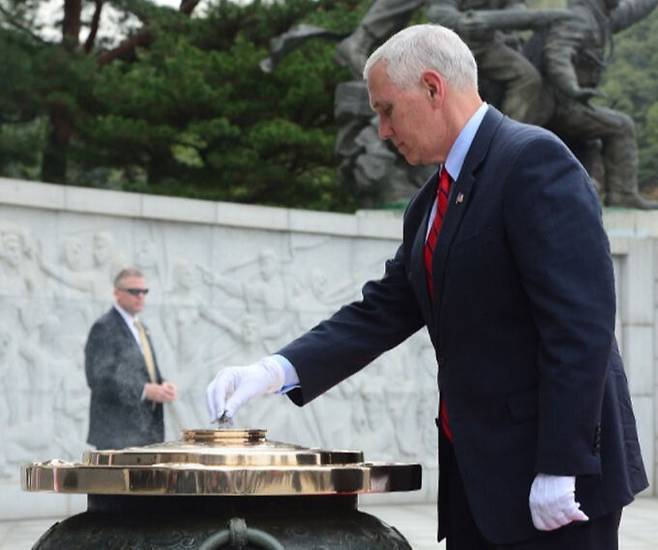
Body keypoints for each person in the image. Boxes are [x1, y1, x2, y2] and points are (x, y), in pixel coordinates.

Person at [206, 24, 647, 548]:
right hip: (480, 484)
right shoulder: (430, 202)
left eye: (386, 109)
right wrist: (273, 371)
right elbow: (384, 310)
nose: (382, 131)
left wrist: (561, 464)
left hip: (554, 486)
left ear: (434, 88)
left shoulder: (533, 161)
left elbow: (581, 324)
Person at [542, 0, 658, 209]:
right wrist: (572, 88)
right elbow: (557, 54)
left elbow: (633, 10)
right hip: (562, 106)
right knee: (622, 126)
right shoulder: (580, 19)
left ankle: (608, 190)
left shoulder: (599, 18)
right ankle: (622, 193)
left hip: (575, 103)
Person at [85, 267, 176, 449]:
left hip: (147, 432)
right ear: (117, 293)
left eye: (144, 291)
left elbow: (144, 372)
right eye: (134, 291)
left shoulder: (141, 328)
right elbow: (99, 379)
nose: (140, 296)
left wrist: (162, 385)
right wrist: (144, 390)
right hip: (117, 434)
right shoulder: (104, 327)